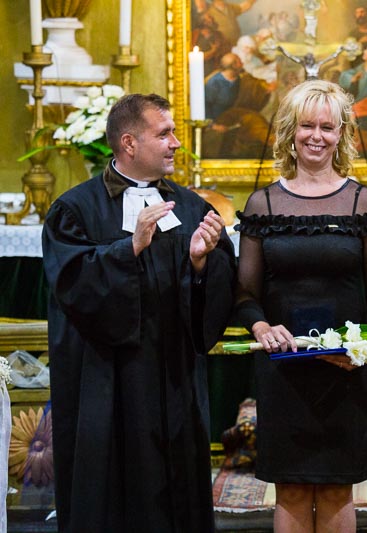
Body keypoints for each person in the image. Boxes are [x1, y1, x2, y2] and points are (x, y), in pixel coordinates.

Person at [42, 93, 236, 532]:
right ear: (129, 143)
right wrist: (127, 249)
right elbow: (71, 283)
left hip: (174, 380)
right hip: (106, 382)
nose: (175, 143)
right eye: (164, 134)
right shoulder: (74, 210)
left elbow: (220, 288)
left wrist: (201, 264)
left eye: (175, 133)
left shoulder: (192, 208)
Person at [234, 79, 367, 533]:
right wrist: (261, 328)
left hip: (343, 369)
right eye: (307, 126)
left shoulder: (361, 201)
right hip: (282, 368)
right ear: (290, 131)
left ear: (342, 133)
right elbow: (244, 293)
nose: (317, 136)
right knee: (288, 487)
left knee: (336, 487)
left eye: (327, 127)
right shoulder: (263, 202)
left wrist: (363, 348)